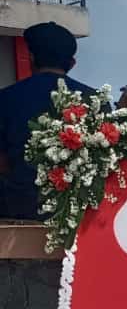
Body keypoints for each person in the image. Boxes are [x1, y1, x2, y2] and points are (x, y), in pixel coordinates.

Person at [0, 21, 94, 220]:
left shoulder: (6, 98)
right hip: (78, 211)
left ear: (31, 58)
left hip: (17, 210)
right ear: (72, 63)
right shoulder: (94, 100)